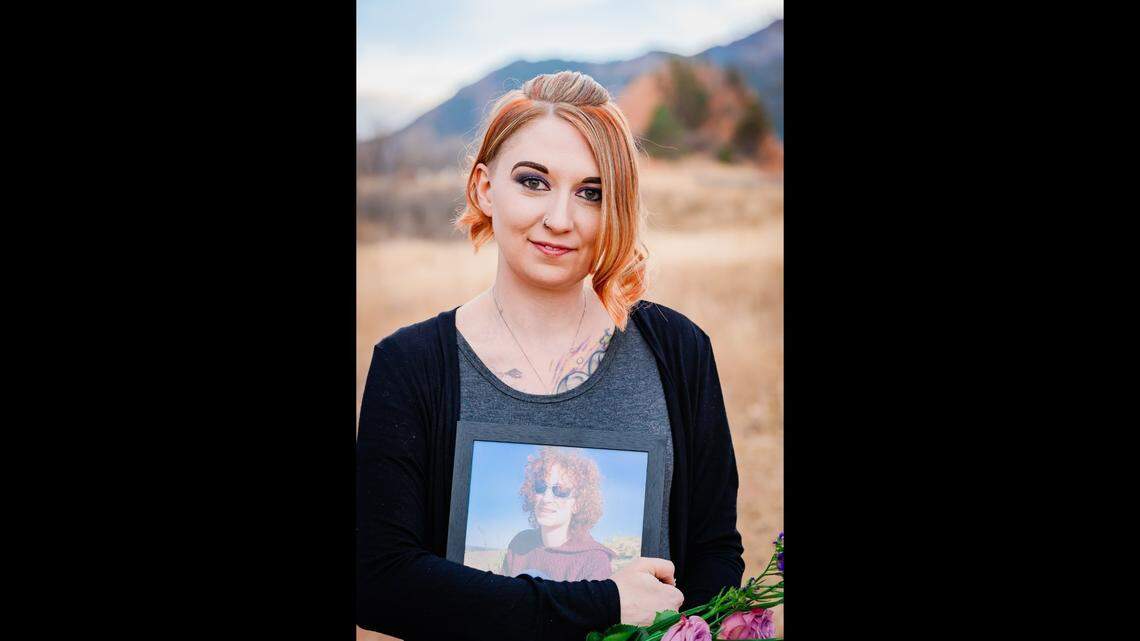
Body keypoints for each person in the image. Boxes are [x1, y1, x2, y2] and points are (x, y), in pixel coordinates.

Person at [356, 70, 744, 641]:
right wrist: (605, 605)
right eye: (533, 181)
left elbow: (713, 554)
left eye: (592, 192)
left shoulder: (679, 352)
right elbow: (378, 579)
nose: (560, 219)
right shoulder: (411, 365)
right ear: (484, 188)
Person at [502, 447, 617, 581]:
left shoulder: (595, 561)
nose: (546, 498)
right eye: (541, 486)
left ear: (577, 504)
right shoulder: (520, 544)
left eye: (560, 490)